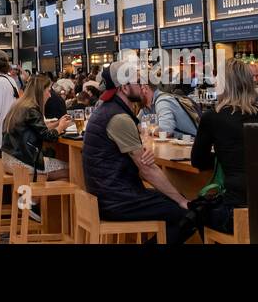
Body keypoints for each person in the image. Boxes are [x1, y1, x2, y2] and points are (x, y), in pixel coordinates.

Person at [81, 60, 193, 244]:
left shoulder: (105, 110)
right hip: (117, 200)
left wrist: (141, 151)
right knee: (188, 213)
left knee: (173, 201)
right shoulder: (119, 117)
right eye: (137, 82)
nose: (142, 87)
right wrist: (181, 200)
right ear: (124, 88)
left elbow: (132, 157)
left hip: (104, 194)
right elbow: (146, 170)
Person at [189, 60, 258, 234]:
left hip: (233, 210)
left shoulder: (213, 117)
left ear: (223, 84)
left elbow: (198, 161)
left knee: (193, 214)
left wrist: (222, 156)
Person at [1, 74, 70, 180]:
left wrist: (57, 123)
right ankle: (38, 195)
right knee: (71, 169)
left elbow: (34, 129)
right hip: (24, 162)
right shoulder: (32, 109)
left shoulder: (19, 105)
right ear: (40, 91)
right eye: (48, 90)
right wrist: (60, 127)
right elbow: (48, 137)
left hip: (8, 158)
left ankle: (40, 195)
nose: (50, 95)